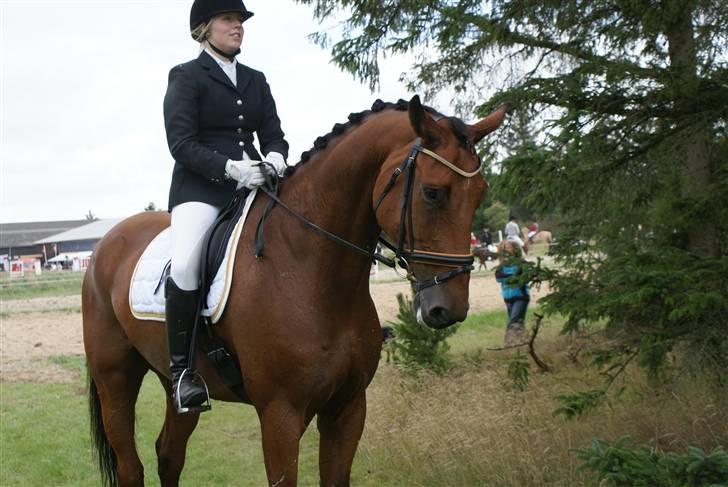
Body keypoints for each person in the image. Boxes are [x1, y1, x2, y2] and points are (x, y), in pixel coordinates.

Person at [163, 0, 289, 413]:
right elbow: (180, 144)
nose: (238, 27)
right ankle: (183, 372)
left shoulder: (256, 80)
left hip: (255, 183)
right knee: (184, 264)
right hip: (200, 190)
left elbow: (274, 134)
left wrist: (273, 158)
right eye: (229, 20)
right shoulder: (185, 76)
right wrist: (230, 169)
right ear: (205, 28)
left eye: (241, 21)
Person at [495, 240, 530, 346]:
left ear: (515, 249)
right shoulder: (502, 266)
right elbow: (499, 278)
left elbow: (524, 277)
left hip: (521, 296)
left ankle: (507, 343)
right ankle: (524, 342)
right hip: (508, 298)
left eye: (509, 247)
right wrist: (512, 277)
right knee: (519, 322)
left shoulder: (522, 263)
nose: (507, 250)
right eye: (505, 248)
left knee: (513, 320)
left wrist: (511, 278)